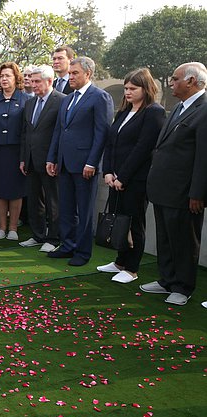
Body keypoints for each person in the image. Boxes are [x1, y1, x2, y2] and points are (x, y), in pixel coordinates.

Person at [140, 62, 207, 306]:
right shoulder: (179, 107)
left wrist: (198, 193)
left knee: (184, 240)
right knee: (165, 237)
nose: (171, 83)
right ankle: (167, 279)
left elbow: (203, 157)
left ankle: (183, 286)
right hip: (163, 188)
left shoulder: (204, 109)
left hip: (185, 191)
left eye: (176, 79)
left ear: (191, 81)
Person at [96, 68, 165, 284]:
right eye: (126, 88)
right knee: (119, 221)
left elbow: (143, 148)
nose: (127, 92)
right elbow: (110, 143)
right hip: (115, 178)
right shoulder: (123, 112)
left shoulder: (154, 112)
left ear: (146, 89)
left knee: (134, 222)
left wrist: (122, 177)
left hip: (135, 180)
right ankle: (119, 262)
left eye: (133, 88)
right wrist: (107, 171)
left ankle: (132, 268)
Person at [46, 57, 114, 266]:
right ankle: (67, 245)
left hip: (85, 165)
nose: (71, 77)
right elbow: (59, 130)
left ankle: (83, 252)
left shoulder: (100, 97)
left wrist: (92, 162)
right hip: (64, 163)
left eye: (75, 73)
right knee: (66, 207)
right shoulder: (67, 99)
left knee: (84, 210)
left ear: (88, 73)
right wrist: (52, 158)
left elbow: (102, 133)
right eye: (71, 73)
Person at [19, 65, 65, 253]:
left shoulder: (61, 101)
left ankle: (53, 238)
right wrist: (23, 158)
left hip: (50, 161)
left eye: (38, 81)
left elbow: (61, 132)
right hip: (30, 160)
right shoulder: (30, 103)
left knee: (53, 200)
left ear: (49, 81)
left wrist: (54, 158)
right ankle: (38, 234)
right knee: (34, 199)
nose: (34, 84)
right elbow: (25, 133)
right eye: (32, 81)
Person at [0, 62, 32, 241]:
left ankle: (13, 228)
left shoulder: (26, 100)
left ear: (16, 78)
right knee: (0, 189)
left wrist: (25, 155)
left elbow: (28, 130)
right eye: (2, 76)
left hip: (17, 151)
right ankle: (1, 227)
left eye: (8, 76)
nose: (4, 79)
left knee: (16, 189)